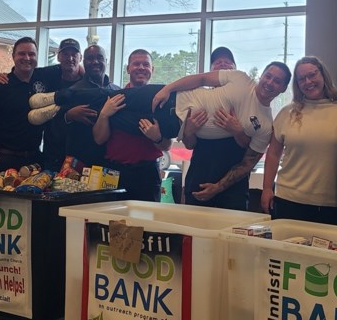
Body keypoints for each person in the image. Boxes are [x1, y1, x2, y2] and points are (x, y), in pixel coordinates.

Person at [29, 61, 292, 210]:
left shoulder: (266, 124)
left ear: (282, 89)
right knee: (109, 97)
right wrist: (168, 88)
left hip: (170, 125)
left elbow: (247, 161)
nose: (270, 82)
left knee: (112, 112)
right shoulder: (240, 78)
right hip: (171, 97)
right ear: (263, 74)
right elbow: (199, 78)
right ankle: (56, 100)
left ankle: (59, 108)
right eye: (268, 75)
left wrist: (237, 132)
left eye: (277, 81)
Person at [261, 56, 337, 224]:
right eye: (302, 78)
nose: (308, 81)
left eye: (312, 75)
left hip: (332, 203)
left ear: (323, 75)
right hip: (288, 199)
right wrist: (266, 188)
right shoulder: (287, 113)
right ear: (297, 84)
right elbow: (273, 154)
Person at [0, 37, 89, 171]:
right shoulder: (46, 76)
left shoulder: (89, 85)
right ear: (59, 56)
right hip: (46, 155)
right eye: (65, 54)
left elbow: (79, 69)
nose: (69, 58)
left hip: (76, 154)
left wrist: (87, 76)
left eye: (74, 54)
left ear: (80, 57)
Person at [93, 49, 172, 201]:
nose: (141, 67)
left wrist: (156, 137)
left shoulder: (162, 102)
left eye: (146, 64)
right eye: (136, 64)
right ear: (128, 68)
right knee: (112, 222)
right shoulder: (114, 99)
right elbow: (99, 139)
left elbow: (167, 146)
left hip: (147, 173)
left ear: (152, 69)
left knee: (146, 224)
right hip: (114, 172)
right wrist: (104, 114)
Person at [0, 37, 50, 174]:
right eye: (22, 53)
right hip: (5, 160)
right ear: (13, 56)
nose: (27, 58)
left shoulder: (44, 80)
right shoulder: (0, 87)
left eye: (31, 54)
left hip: (35, 161)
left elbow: (74, 69)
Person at [59, 44, 119, 168]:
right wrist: (68, 116)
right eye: (90, 58)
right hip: (81, 164)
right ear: (84, 62)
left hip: (112, 163)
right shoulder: (73, 92)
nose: (95, 62)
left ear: (106, 61)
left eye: (99, 58)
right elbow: (56, 128)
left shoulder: (117, 91)